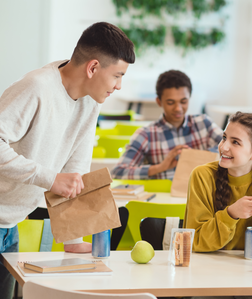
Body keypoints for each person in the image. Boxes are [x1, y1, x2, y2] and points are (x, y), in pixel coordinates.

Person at [0, 22, 135, 298]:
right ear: (93, 68)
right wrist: (50, 179)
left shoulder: (90, 103)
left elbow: (75, 173)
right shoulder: (36, 87)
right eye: (117, 76)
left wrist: (73, 239)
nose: (119, 86)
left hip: (8, 224)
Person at [185, 112, 252, 252]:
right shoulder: (202, 175)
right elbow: (195, 241)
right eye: (224, 138)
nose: (223, 147)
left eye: (235, 142)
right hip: (208, 266)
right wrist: (231, 213)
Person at [111, 70, 223, 180]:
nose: (178, 108)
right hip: (164, 196)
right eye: (170, 102)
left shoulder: (204, 123)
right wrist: (160, 167)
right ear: (159, 101)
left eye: (183, 101)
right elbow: (118, 172)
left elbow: (231, 149)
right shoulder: (146, 134)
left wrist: (196, 156)